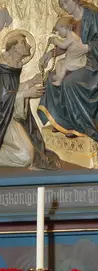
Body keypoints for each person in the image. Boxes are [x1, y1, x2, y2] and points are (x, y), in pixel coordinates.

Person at [38, 0, 98, 165]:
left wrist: (89, 47)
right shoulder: (71, 22)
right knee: (51, 79)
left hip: (94, 65)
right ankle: (63, 122)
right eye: (61, 5)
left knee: (70, 82)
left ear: (75, 0)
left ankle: (83, 126)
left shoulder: (92, 16)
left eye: (66, 3)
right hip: (76, 61)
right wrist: (50, 54)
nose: (64, 7)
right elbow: (68, 46)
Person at [0, 31, 59, 170]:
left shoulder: (14, 66)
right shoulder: (3, 69)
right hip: (4, 119)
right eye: (24, 43)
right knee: (26, 156)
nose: (29, 46)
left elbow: (10, 90)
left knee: (31, 152)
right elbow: (3, 99)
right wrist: (26, 94)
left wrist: (30, 82)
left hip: (11, 114)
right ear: (14, 48)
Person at [47, 16, 89, 87]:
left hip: (76, 60)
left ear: (65, 28)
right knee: (59, 62)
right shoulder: (70, 36)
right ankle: (58, 76)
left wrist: (55, 41)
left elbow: (63, 45)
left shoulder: (72, 37)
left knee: (64, 66)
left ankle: (59, 81)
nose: (59, 33)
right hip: (72, 58)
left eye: (59, 30)